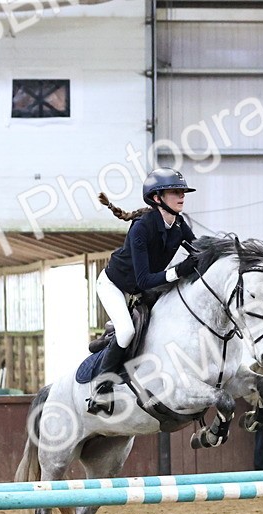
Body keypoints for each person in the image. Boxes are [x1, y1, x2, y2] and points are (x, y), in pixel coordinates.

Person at [87, 167, 200, 414]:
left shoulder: (180, 225)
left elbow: (198, 252)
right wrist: (180, 270)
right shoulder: (141, 228)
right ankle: (100, 388)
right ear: (157, 198)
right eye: (175, 192)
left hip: (145, 287)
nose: (182, 196)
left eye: (183, 191)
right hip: (114, 285)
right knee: (127, 331)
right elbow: (144, 279)